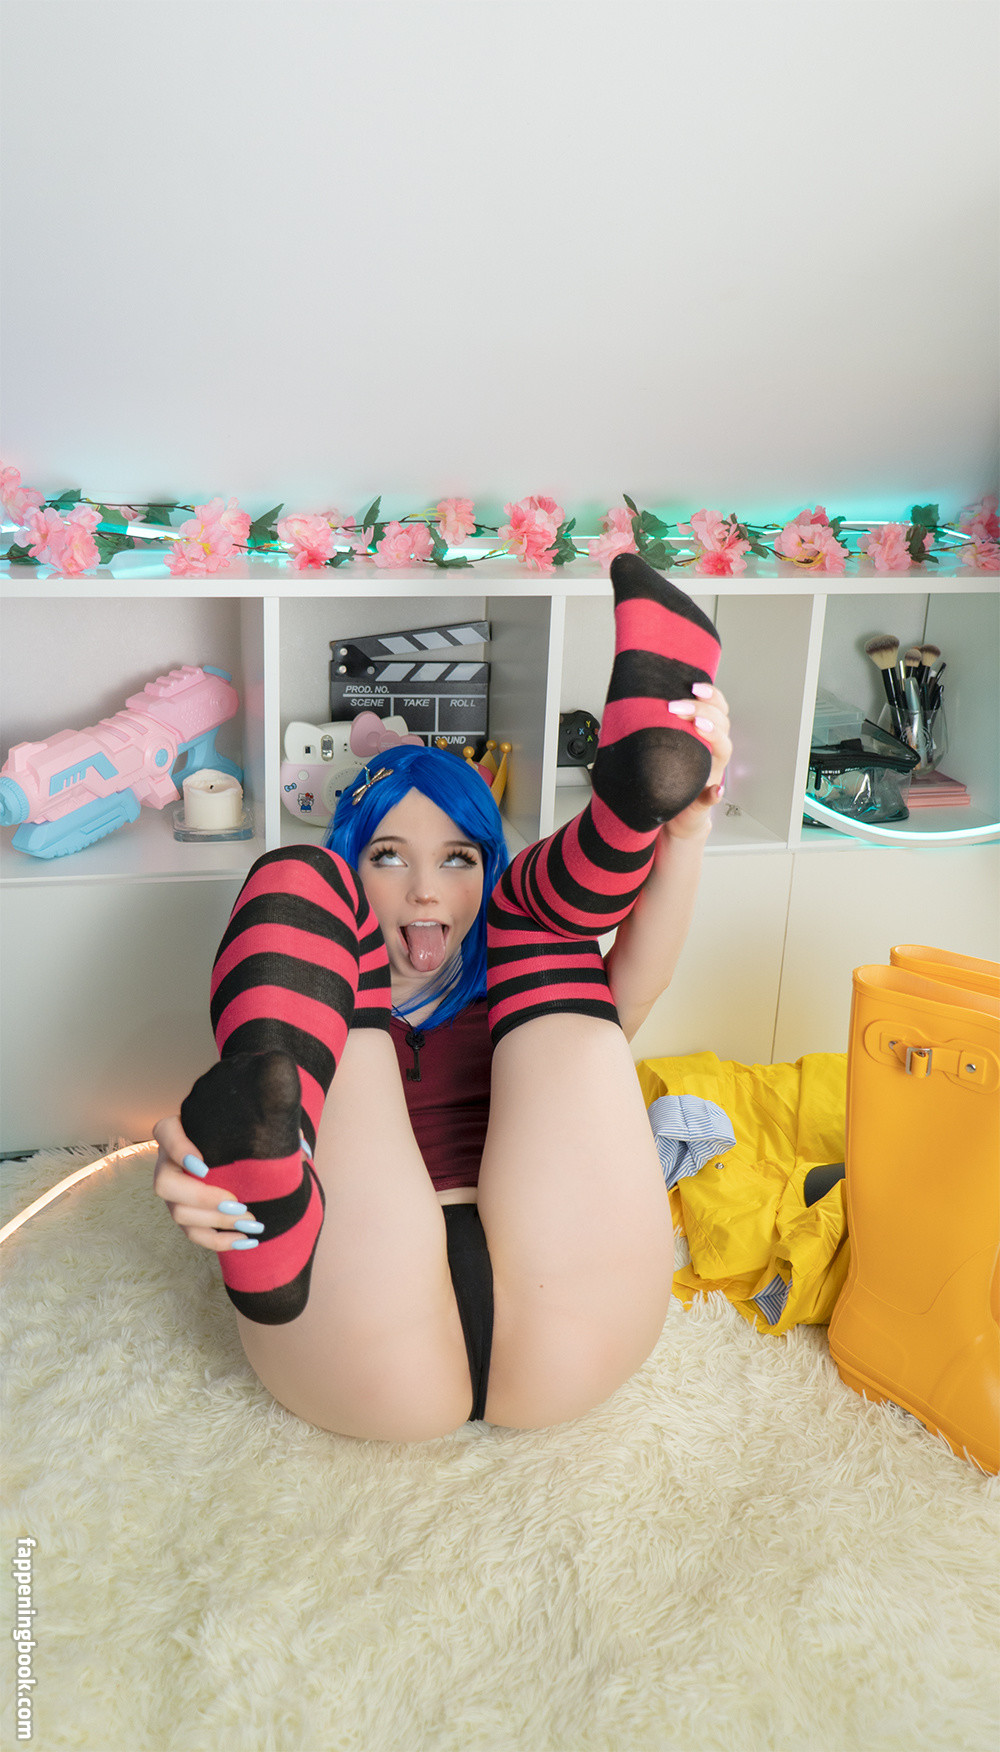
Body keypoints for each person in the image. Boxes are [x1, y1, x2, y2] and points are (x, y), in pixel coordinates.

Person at [153, 552, 731, 1440]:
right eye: (386, 857)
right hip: (357, 1310)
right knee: (297, 879)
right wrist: (206, 1175)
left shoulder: (527, 985)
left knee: (529, 919)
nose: (426, 890)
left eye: (460, 858)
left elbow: (637, 986)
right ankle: (279, 1179)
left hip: (569, 1301)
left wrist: (683, 830)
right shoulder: (322, 993)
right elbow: (313, 934)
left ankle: (638, 796)